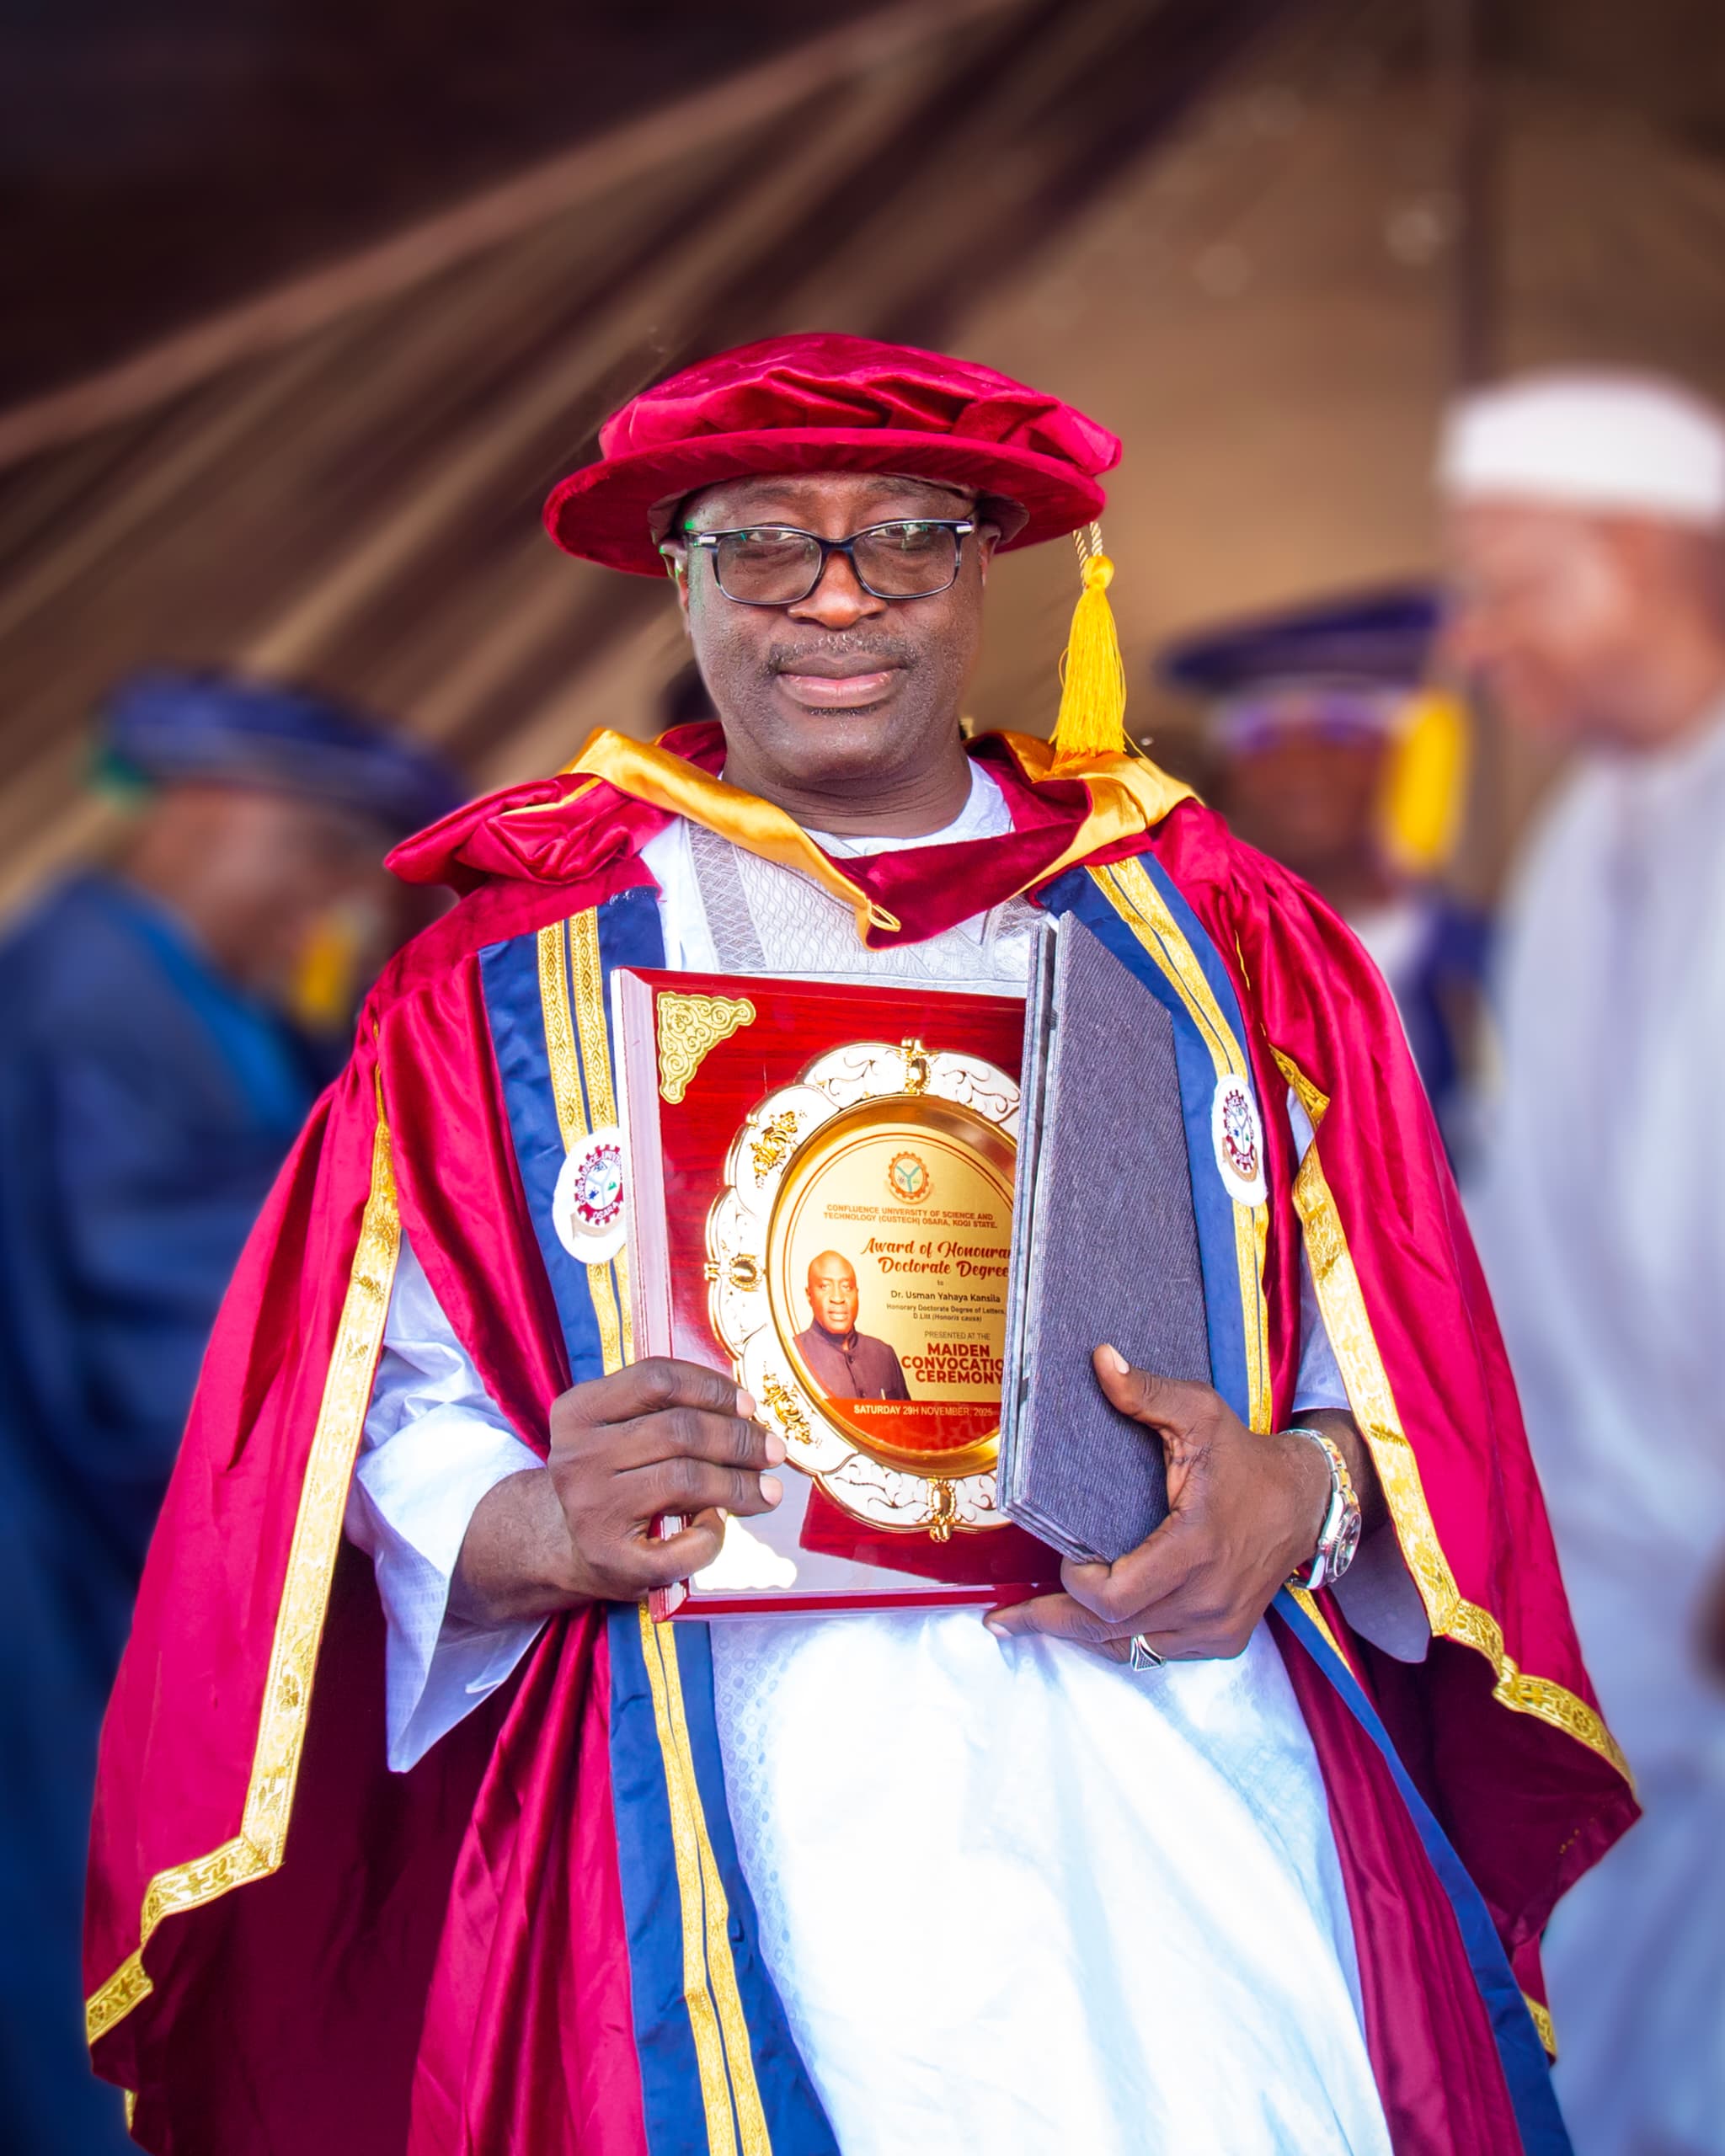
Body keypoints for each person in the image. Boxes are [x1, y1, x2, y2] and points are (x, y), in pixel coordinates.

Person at [87, 335, 1633, 2155]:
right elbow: (374, 1411)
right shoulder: (505, 973)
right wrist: (535, 1523)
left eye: (902, 536)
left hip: (1179, 1773)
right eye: (761, 541)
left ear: (984, 569)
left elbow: (1408, 1378)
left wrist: (1296, 1497)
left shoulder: (1221, 934)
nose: (835, 596)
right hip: (717, 1766)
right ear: (678, 575)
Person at [0, 670, 461, 2156]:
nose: (332, 898)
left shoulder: (211, 1001)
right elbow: (186, 1329)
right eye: (315, 849)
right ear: (199, 810)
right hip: (74, 1568)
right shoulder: (88, 1004)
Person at [1439, 370, 1725, 2156]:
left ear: (1639, 553)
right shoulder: (1575, 841)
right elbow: (1529, 1215)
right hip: (1623, 1589)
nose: (1474, 641)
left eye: (1511, 585)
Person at [1161, 589, 1489, 1156]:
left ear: (1407, 758)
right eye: (1261, 734)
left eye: (1339, 728)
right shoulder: (1183, 969)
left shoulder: (1494, 972)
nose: (1300, 763)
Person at [793, 1252, 911, 1401]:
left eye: (847, 1287)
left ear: (857, 1293)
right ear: (809, 1295)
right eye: (825, 1286)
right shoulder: (794, 1353)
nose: (838, 1298)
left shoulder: (884, 1354)